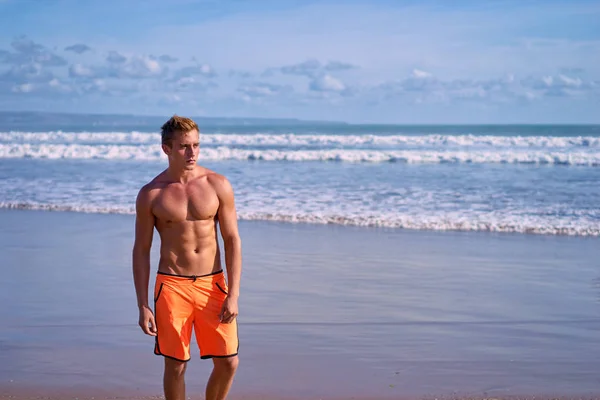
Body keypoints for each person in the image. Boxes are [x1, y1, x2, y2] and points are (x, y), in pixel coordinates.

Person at [132, 115, 242, 400]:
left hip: (213, 285)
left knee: (228, 361)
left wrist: (234, 294)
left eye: (196, 145)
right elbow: (141, 250)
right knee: (176, 364)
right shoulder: (151, 194)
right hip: (172, 286)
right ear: (166, 149)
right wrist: (143, 304)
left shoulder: (217, 184)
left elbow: (232, 240)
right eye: (184, 146)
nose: (192, 152)